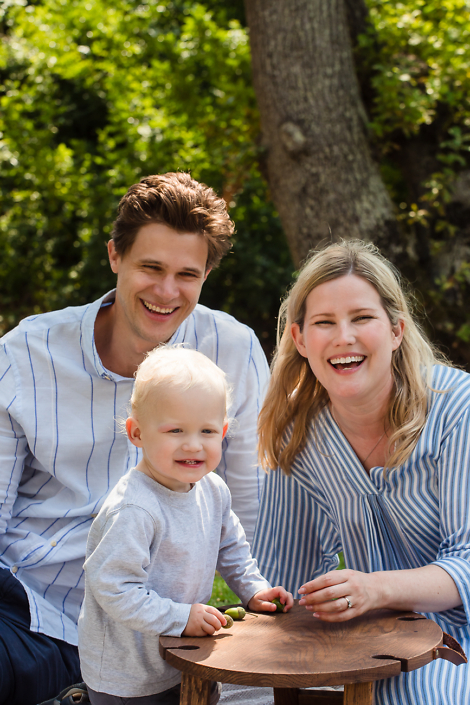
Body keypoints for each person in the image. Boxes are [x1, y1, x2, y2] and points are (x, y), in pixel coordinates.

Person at [0, 173, 269, 705]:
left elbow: (251, 509)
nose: (167, 292)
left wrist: (259, 600)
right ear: (115, 256)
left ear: (206, 274)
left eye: (187, 274)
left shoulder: (232, 350)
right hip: (30, 607)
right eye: (151, 267)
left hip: (159, 632)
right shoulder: (26, 353)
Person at [252, 240, 470, 704]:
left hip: (458, 631)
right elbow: (282, 577)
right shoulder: (300, 435)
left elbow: (468, 561)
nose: (344, 337)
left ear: (396, 330)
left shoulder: (456, 409)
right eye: (324, 322)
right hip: (381, 638)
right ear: (300, 339)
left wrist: (374, 588)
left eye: (362, 318)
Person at [78, 345, 293, 705]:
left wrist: (254, 589)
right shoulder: (134, 509)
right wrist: (180, 617)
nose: (193, 445)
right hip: (130, 676)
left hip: (188, 653)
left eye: (207, 431)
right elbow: (114, 588)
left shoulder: (213, 490)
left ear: (223, 432)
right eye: (175, 430)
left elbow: (232, 549)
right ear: (137, 433)